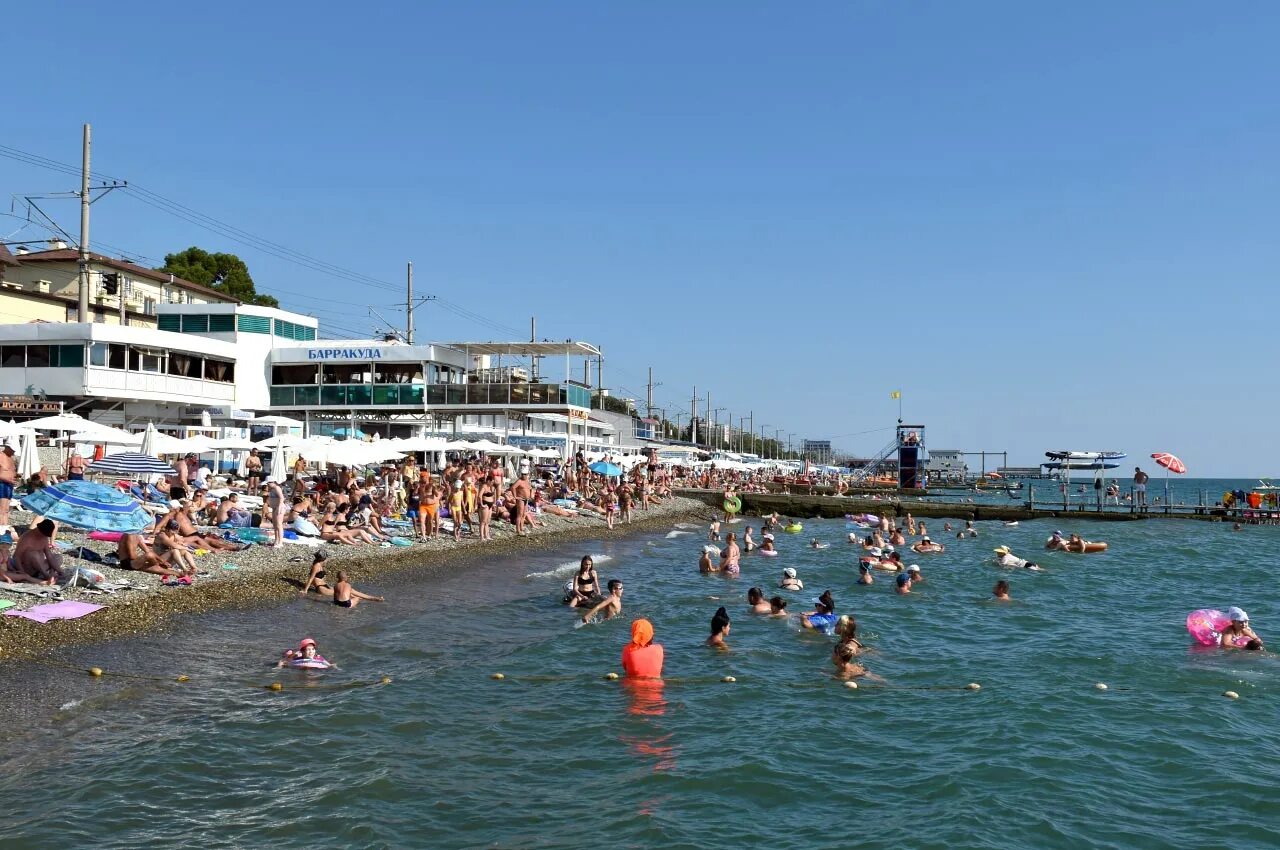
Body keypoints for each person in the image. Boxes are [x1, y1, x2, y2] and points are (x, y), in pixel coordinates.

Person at [12, 518, 65, 584]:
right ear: (39, 529)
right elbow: (16, 556)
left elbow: (49, 556)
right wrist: (22, 572)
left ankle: (51, 572)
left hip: (40, 566)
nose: (44, 536)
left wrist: (60, 571)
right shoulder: (26, 538)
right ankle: (46, 575)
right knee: (34, 554)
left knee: (58, 557)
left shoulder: (44, 538)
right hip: (27, 568)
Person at [265, 480, 285, 549]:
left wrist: (279, 506)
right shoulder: (271, 489)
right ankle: (276, 541)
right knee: (275, 525)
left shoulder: (277, 488)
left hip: (279, 507)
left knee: (279, 524)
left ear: (273, 482)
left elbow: (281, 497)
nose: (268, 484)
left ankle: (280, 542)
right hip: (274, 507)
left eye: (269, 483)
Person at [0, 442, 15, 530]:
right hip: (2, 484)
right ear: (7, 447)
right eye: (13, 450)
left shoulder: (10, 458)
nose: (14, 452)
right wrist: (7, 479)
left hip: (9, 484)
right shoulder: (1, 456)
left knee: (6, 509)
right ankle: (1, 529)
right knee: (2, 509)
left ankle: (4, 528)